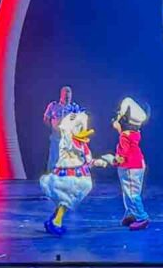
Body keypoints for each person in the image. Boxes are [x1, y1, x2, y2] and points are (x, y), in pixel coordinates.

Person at [39, 106, 110, 236]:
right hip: (67, 177)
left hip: (77, 175)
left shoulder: (82, 146)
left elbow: (87, 160)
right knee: (65, 200)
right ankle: (56, 222)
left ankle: (53, 220)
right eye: (79, 129)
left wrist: (98, 162)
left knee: (64, 201)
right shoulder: (67, 143)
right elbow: (68, 139)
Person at [107, 97, 150, 230]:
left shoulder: (125, 136)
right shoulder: (133, 133)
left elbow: (122, 157)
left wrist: (109, 160)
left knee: (132, 193)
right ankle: (130, 214)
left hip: (131, 167)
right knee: (128, 192)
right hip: (135, 165)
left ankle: (142, 217)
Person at [43, 86, 78, 173]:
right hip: (56, 137)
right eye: (65, 96)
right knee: (54, 158)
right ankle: (51, 177)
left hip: (68, 139)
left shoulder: (74, 107)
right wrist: (53, 128)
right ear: (61, 95)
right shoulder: (53, 106)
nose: (67, 98)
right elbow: (46, 118)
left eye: (69, 97)